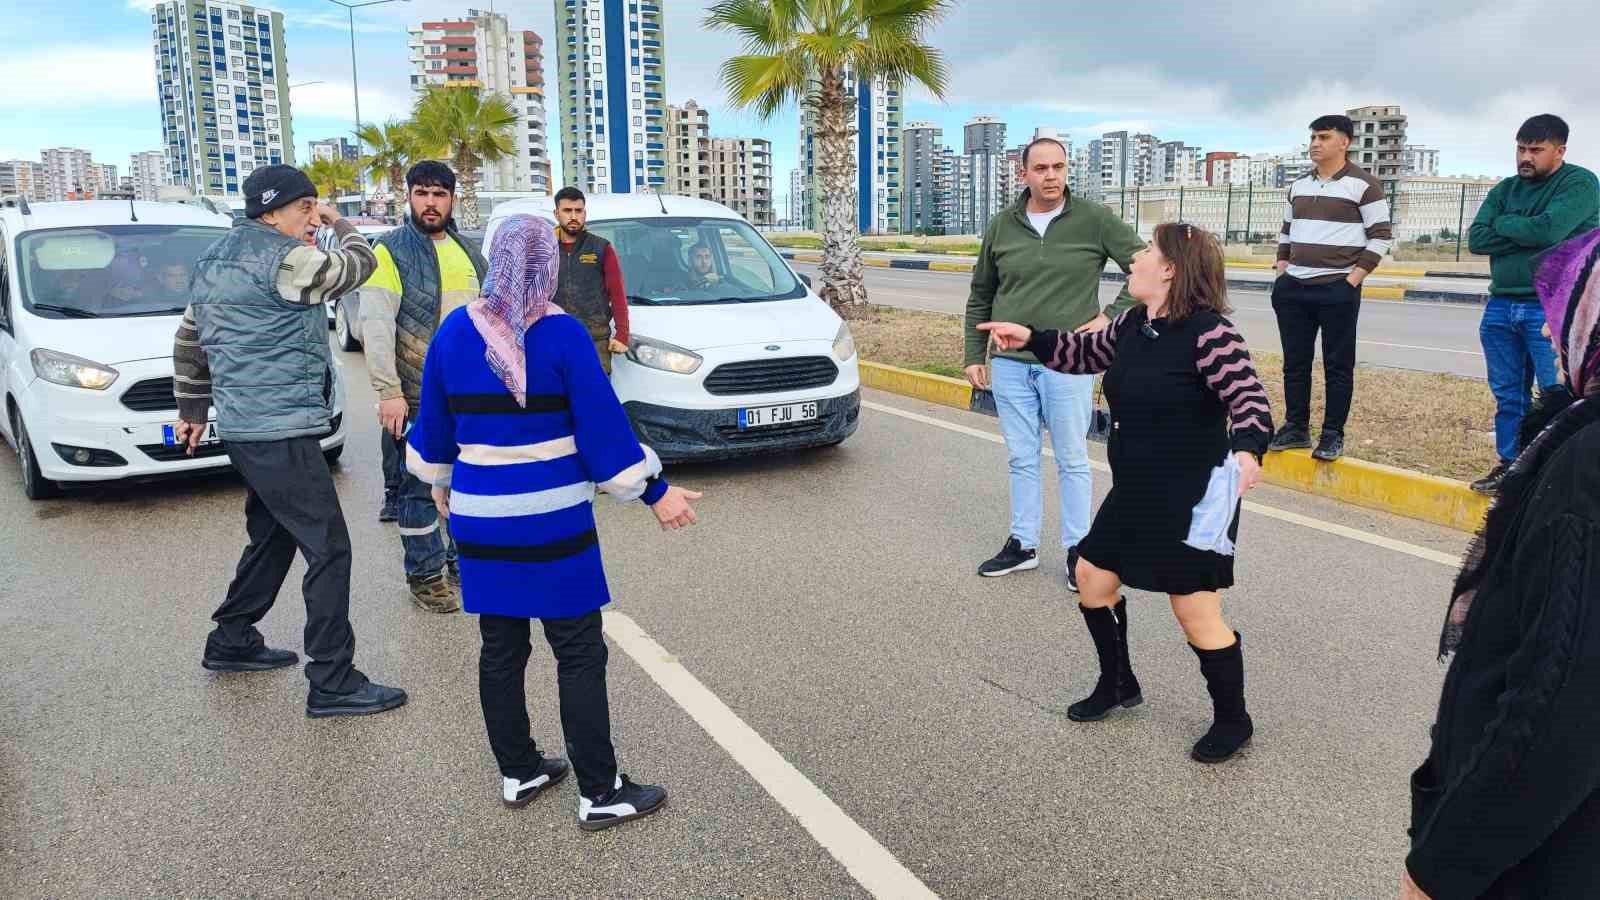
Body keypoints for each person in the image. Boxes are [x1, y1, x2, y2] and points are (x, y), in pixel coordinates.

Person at [405, 215, 702, 829]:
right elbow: (603, 432)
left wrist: (441, 484)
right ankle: (600, 791)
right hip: (553, 521)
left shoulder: (455, 332)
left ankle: (519, 770)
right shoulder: (561, 333)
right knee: (578, 651)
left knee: (501, 646)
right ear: (550, 263)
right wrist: (655, 492)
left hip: (481, 519)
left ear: (492, 257)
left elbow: (433, 433)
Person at [980, 223, 1274, 764]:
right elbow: (1084, 353)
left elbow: (1249, 399)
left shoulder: (1211, 333)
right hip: (1137, 489)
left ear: (1170, 269)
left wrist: (1248, 450)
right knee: (1092, 577)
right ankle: (1118, 684)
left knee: (1195, 609)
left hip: (1191, 497)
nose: (1134, 259)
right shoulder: (1137, 323)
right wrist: (1033, 338)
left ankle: (1234, 719)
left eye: (1147, 252)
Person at [1402, 227, 1600, 899]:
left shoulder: (1587, 462)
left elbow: (1558, 703)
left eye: (1566, 305)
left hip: (1545, 853)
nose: (1550, 329)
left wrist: (1441, 865)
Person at [172, 164, 406, 718]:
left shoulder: (216, 260)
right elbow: (358, 267)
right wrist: (341, 223)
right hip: (279, 429)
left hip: (247, 429)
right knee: (329, 548)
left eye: (315, 207)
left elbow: (189, 339)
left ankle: (231, 639)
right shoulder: (281, 257)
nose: (312, 217)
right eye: (305, 208)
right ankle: (332, 679)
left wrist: (193, 408)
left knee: (274, 535)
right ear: (271, 212)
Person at [963, 136, 1144, 589]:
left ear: (1067, 170)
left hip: (1069, 362)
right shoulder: (1002, 225)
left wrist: (1108, 317)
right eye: (1040, 168)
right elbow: (981, 293)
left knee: (1072, 459)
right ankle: (1022, 544)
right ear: (1023, 173)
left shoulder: (1094, 220)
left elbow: (1144, 267)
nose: (1050, 176)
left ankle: (1079, 551)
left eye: (1058, 167)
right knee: (1022, 458)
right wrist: (973, 355)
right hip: (1009, 362)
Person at [357, 161, 489, 614]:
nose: (430, 203)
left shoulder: (470, 252)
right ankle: (425, 575)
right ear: (408, 197)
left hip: (468, 396)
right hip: (414, 394)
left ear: (453, 199)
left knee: (462, 482)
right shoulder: (388, 250)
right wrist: (387, 391)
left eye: (439, 194)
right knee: (417, 488)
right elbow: (374, 324)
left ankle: (456, 562)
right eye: (422, 193)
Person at [1465, 114, 1598, 495]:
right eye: (1521, 148)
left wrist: (1506, 225)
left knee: (1558, 396)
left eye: (1536, 150)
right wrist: (1530, 230)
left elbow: (1550, 231)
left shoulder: (1580, 183)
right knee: (1508, 395)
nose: (1526, 157)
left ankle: (1553, 475)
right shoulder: (1507, 187)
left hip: (1552, 307)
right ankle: (1510, 465)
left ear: (1560, 151)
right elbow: (1477, 239)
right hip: (1501, 305)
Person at [1268, 114, 1393, 462]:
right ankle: (1295, 427)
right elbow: (1286, 232)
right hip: (1294, 289)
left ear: (1344, 142)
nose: (1315, 144)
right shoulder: (1298, 185)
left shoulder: (1364, 185)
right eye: (1312, 137)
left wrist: (1351, 281)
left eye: (1323, 137)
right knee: (1295, 363)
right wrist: (1282, 273)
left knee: (1338, 365)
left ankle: (1332, 435)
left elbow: (1381, 235)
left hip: (1337, 289)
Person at [552, 187, 630, 373]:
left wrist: (622, 335)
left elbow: (617, 294)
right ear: (556, 214)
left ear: (584, 213)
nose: (573, 216)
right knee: (556, 399)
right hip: (553, 338)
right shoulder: (545, 248)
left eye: (578, 211)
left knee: (597, 397)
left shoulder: (601, 248)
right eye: (567, 210)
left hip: (595, 340)